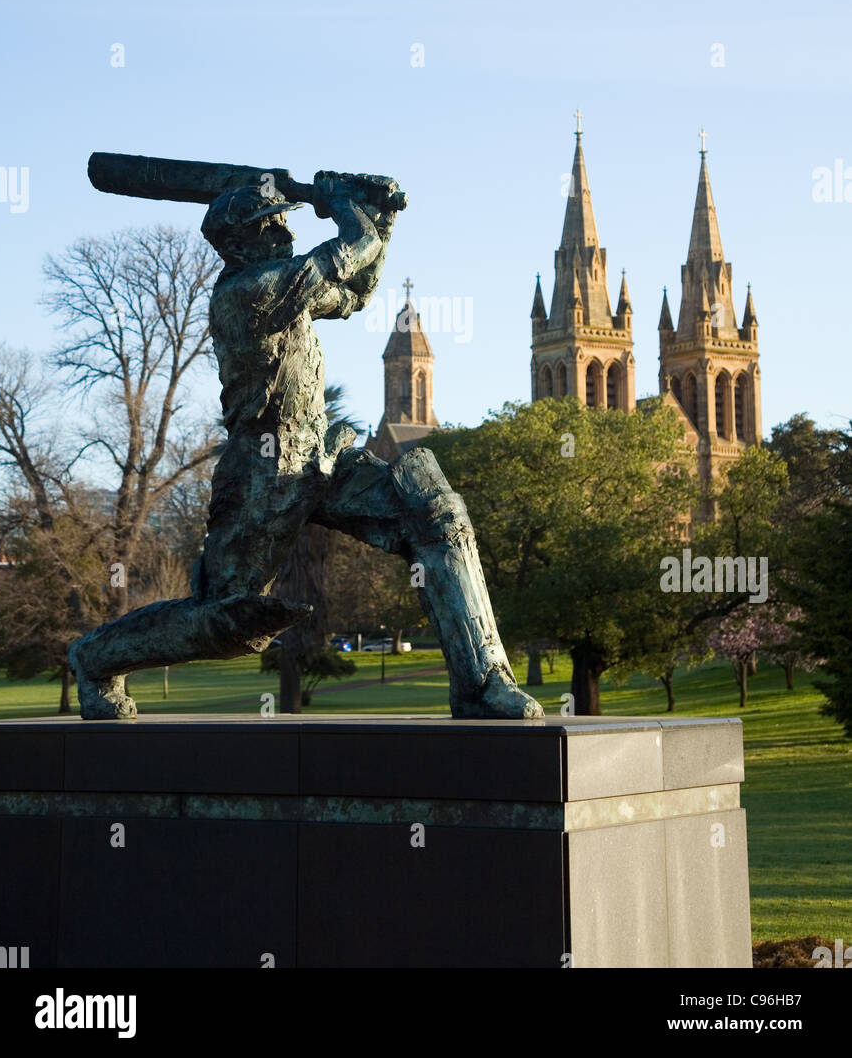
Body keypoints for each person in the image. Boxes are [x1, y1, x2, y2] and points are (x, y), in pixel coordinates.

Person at [69, 171, 543, 720]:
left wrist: (381, 219)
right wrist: (342, 203)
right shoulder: (250, 292)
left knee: (437, 515)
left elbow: (357, 292)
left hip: (321, 453)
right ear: (241, 242)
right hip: (265, 474)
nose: (284, 232)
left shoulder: (285, 288)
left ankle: (482, 685)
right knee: (226, 622)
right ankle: (96, 657)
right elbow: (348, 250)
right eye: (272, 225)